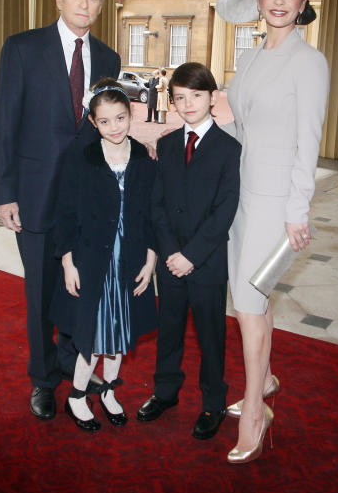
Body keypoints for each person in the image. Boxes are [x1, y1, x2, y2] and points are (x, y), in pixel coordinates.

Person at [215, 0, 338, 463]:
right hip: (241, 197)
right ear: (259, 0)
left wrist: (297, 213)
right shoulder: (250, 58)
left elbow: (307, 143)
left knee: (247, 305)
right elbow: (241, 126)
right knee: (252, 302)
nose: (280, 1)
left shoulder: (309, 62)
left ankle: (253, 408)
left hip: (273, 205)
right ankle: (263, 378)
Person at [0, 0, 121, 421]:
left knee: (79, 291)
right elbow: (4, 124)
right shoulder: (22, 49)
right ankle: (43, 379)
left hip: (85, 204)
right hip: (35, 198)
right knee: (42, 295)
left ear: (101, 3)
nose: (84, 3)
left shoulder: (108, 58)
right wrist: (5, 193)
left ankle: (72, 364)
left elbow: (107, 129)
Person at [138, 62, 241, 441]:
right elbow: (157, 204)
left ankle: (213, 402)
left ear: (213, 97)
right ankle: (165, 392)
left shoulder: (229, 149)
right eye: (180, 97)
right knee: (169, 330)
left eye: (196, 95)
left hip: (207, 261)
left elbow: (225, 209)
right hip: (170, 258)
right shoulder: (166, 144)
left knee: (211, 334)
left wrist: (191, 256)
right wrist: (170, 252)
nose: (188, 103)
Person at [51, 80, 158, 431]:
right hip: (92, 262)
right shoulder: (81, 159)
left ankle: (109, 390)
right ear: (94, 123)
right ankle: (77, 396)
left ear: (132, 115)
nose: (115, 127)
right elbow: (64, 212)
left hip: (128, 259)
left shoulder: (143, 157)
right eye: (106, 121)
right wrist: (67, 262)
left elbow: (153, 212)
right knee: (94, 334)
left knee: (120, 332)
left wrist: (152, 258)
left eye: (121, 118)